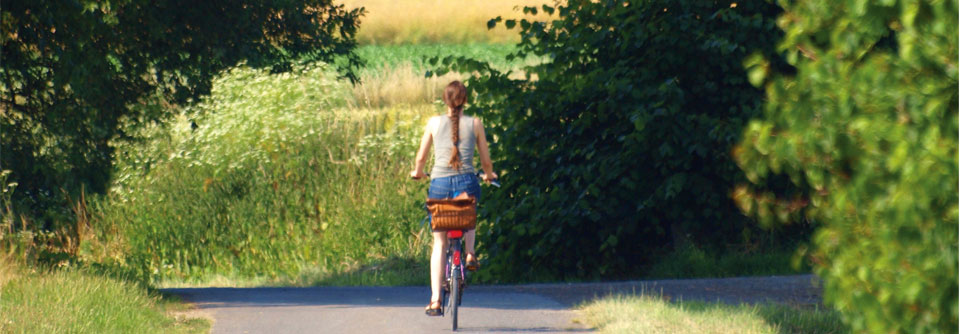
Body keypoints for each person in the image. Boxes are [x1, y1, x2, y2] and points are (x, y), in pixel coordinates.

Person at [409, 80, 497, 316]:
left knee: (439, 243)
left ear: (445, 100)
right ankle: (469, 252)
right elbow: (486, 162)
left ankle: (436, 300)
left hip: (438, 185)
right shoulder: (475, 124)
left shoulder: (433, 123)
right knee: (467, 213)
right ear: (465, 100)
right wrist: (489, 175)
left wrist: (418, 172)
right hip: (467, 183)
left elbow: (420, 158)